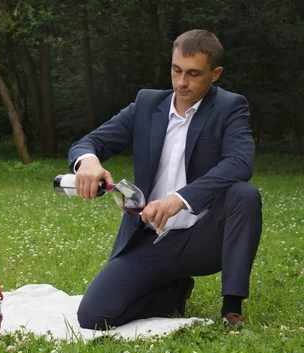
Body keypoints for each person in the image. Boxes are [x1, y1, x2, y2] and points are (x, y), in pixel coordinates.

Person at [69, 29, 262, 330]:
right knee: (93, 316)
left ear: (216, 74)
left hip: (203, 237)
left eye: (194, 74)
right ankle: (173, 292)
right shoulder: (147, 104)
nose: (182, 82)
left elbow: (239, 162)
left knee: (244, 194)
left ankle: (231, 307)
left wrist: (178, 200)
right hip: (150, 239)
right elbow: (88, 143)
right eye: (176, 70)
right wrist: (89, 162)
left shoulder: (230, 107)